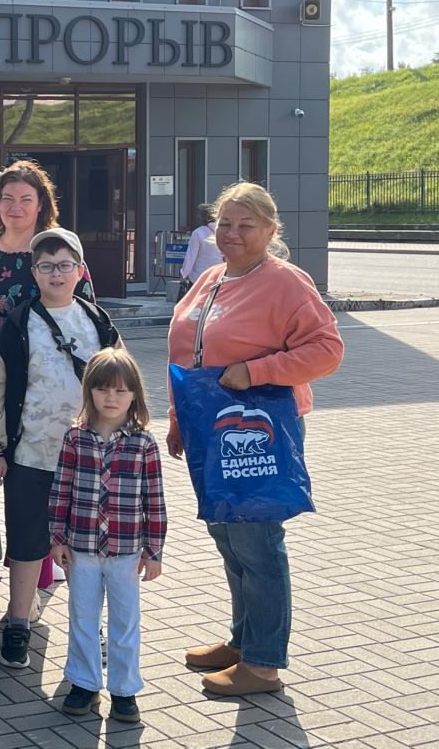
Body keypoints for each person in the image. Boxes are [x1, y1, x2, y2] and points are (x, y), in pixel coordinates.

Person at [167, 182, 343, 696]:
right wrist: (179, 418)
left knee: (258, 541)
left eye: (246, 225)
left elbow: (327, 349)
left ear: (270, 230)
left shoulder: (285, 282)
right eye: (225, 223)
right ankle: (243, 641)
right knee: (228, 536)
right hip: (209, 427)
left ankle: (264, 665)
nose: (232, 233)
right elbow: (186, 354)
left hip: (258, 429)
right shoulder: (211, 277)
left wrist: (257, 370)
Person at [0, 228, 120, 671]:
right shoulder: (18, 324)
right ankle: (18, 622)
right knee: (26, 541)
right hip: (31, 455)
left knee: (87, 547)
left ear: (79, 270)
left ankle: (88, 627)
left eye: (64, 265)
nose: (56, 273)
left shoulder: (97, 321)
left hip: (89, 458)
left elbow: (123, 382)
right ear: (33, 271)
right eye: (46, 265)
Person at [0, 160, 94, 598]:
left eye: (26, 199)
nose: (15, 206)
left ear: (41, 204)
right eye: (7, 198)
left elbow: (84, 315)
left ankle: (34, 581)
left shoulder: (54, 250)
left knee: (34, 485)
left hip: (39, 387)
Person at [49, 347, 165, 724]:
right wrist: (57, 537)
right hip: (81, 549)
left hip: (126, 552)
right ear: (89, 392)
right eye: (102, 389)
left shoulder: (143, 443)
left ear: (134, 395)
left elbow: (155, 500)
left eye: (120, 390)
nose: (111, 398)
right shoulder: (74, 437)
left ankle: (124, 690)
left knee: (125, 621)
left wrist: (154, 551)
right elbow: (61, 490)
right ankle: (84, 683)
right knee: (82, 617)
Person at [180, 203, 222, 289]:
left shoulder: (198, 233)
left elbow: (191, 256)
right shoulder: (223, 231)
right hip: (219, 275)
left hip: (199, 276)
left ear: (203, 217)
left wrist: (184, 273)